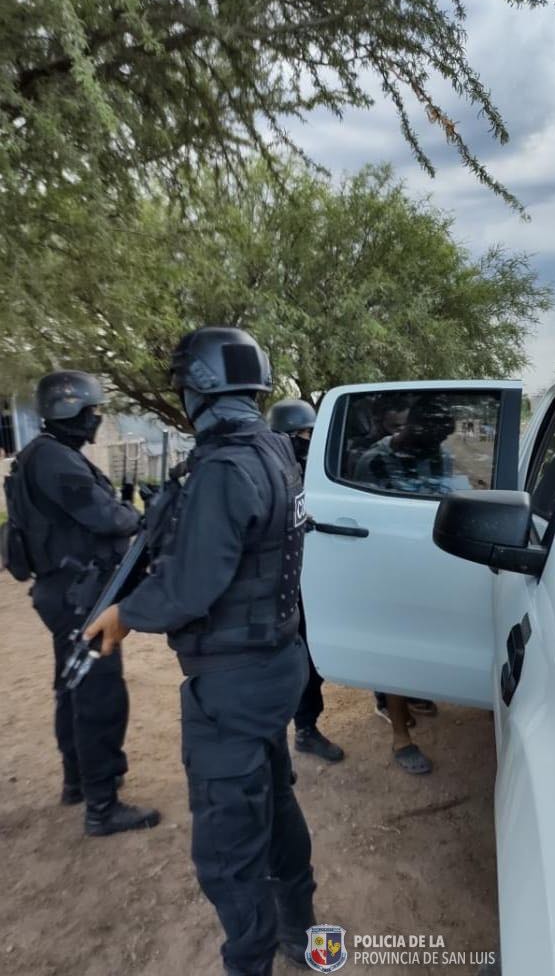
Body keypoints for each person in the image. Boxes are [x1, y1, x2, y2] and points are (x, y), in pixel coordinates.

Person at [86, 327, 316, 976]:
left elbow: (190, 586)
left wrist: (125, 614)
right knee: (275, 801)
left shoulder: (222, 468)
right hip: (277, 662)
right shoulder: (273, 447)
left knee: (228, 850)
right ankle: (300, 931)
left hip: (232, 683)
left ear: (200, 388)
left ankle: (251, 961)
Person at [12, 371, 159, 835]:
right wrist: (139, 514)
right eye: (92, 411)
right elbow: (106, 517)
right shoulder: (55, 459)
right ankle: (102, 804)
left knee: (72, 685)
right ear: (69, 410)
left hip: (65, 589)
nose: (96, 419)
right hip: (78, 595)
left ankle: (77, 781)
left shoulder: (44, 454)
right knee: (99, 694)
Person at [267, 398, 344, 763]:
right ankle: (295, 734)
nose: (308, 441)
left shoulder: (311, 471)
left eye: (311, 434)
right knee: (281, 665)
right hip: (275, 587)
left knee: (307, 659)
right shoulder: (266, 472)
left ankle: (304, 728)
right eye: (302, 434)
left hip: (304, 579)